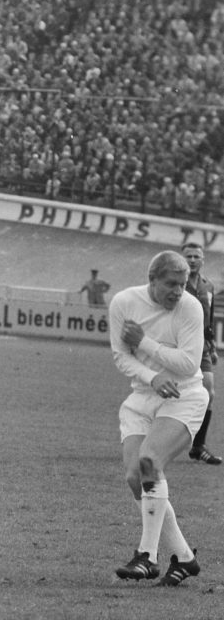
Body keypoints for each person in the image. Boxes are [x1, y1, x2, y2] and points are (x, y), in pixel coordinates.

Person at [110, 250, 207, 587]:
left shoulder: (190, 307)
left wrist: (145, 342)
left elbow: (188, 365)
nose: (178, 291)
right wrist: (151, 378)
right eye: (171, 284)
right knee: (137, 478)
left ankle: (146, 556)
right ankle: (184, 556)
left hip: (185, 396)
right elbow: (120, 356)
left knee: (150, 462)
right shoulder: (124, 302)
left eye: (182, 284)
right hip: (142, 397)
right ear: (151, 280)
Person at [181, 242, 222, 465]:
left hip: (202, 347)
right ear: (181, 259)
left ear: (203, 260)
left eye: (197, 256)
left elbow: (210, 317)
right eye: (189, 256)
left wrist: (212, 346)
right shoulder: (176, 283)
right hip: (178, 345)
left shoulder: (208, 286)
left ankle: (198, 446)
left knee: (209, 392)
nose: (193, 260)